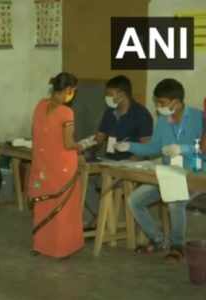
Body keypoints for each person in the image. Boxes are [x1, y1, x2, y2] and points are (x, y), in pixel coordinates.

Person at [115, 78, 203, 262]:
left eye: (162, 103)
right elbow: (153, 147)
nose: (158, 107)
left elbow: (204, 149)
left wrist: (183, 148)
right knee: (134, 200)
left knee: (174, 202)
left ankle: (177, 246)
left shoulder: (198, 118)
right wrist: (129, 146)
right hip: (169, 174)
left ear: (176, 102)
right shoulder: (163, 121)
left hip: (194, 174)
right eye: (157, 102)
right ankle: (158, 240)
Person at [79, 75, 154, 228]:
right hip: (109, 159)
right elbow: (100, 137)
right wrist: (85, 143)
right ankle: (97, 217)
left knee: (105, 182)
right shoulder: (110, 112)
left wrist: (128, 163)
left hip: (131, 163)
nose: (107, 98)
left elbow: (146, 147)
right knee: (81, 175)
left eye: (110, 94)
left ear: (121, 94)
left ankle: (101, 220)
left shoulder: (141, 114)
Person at [28, 72, 84, 258]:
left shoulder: (40, 106)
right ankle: (61, 248)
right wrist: (81, 146)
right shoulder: (66, 112)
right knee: (64, 207)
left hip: (42, 166)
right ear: (68, 90)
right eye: (73, 91)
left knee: (43, 204)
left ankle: (41, 245)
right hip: (62, 167)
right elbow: (68, 144)